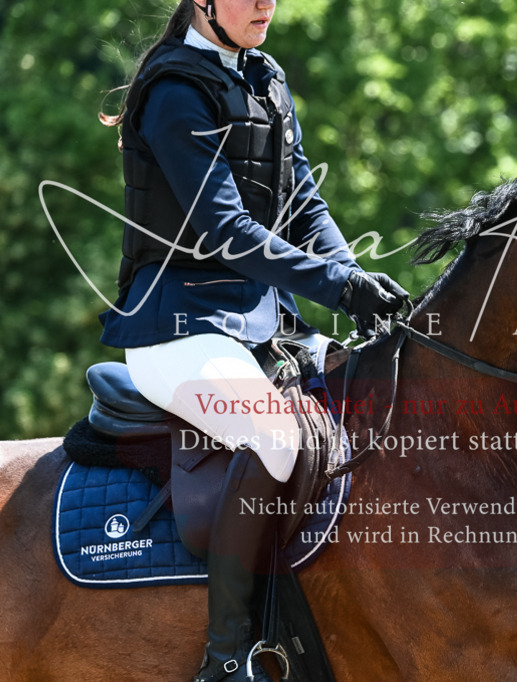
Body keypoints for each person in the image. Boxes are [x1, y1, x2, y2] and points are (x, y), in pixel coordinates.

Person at [98, 1, 407, 679]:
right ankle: (229, 655)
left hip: (266, 327)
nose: (266, 2)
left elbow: (305, 205)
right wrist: (337, 289)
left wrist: (357, 282)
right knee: (275, 436)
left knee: (385, 389)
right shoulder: (175, 91)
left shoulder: (264, 75)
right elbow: (225, 231)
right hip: (176, 330)